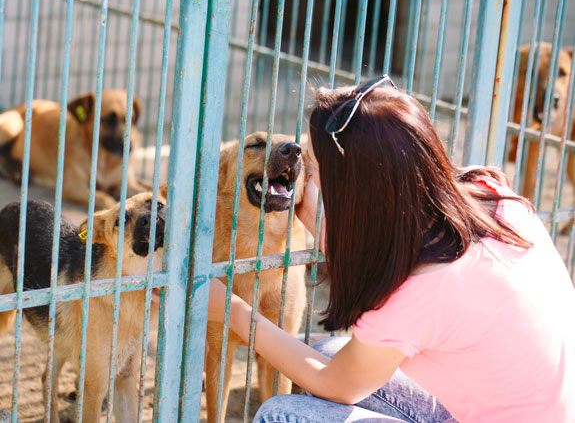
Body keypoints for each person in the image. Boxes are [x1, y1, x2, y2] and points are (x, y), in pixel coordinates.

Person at [207, 76, 575, 422]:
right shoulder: (492, 196)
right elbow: (382, 246)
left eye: (315, 170)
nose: (306, 178)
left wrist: (235, 312)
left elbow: (337, 385)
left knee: (280, 415)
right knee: (326, 353)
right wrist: (309, 215)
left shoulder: (422, 291)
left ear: (355, 188)